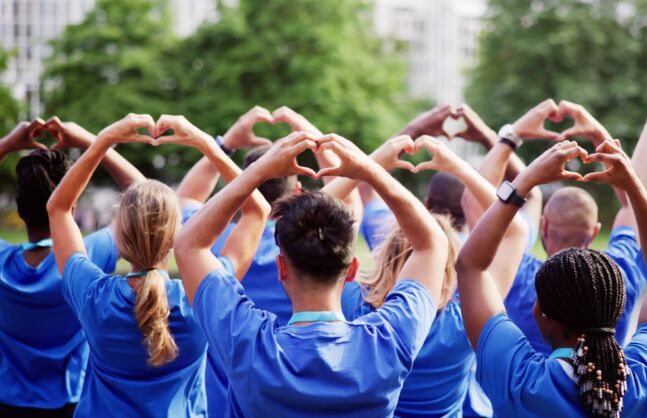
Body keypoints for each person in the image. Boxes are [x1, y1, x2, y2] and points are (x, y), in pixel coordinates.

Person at [174, 132, 449, 416]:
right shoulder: (387, 343)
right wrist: (371, 170)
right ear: (352, 269)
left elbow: (188, 245)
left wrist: (259, 171)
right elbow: (432, 244)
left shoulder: (248, 345)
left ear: (282, 269)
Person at [46, 113, 270, 417]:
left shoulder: (93, 296)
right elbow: (258, 210)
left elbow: (58, 208)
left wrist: (105, 138)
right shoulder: (201, 299)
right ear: (177, 236)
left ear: (119, 239)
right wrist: (206, 143)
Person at [457, 138, 647, 417]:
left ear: (540, 313)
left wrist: (524, 182)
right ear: (614, 312)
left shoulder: (519, 379)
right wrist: (634, 186)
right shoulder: (643, 380)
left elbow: (470, 267)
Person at [322, 134, 528, 417]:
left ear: (387, 252)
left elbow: (306, 218)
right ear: (448, 261)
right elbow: (516, 231)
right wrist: (457, 166)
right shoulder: (465, 319)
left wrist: (372, 164)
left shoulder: (354, 304)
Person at [460, 100, 646, 354]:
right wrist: (599, 137)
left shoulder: (515, 272)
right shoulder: (618, 278)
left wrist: (511, 137)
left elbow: (473, 202)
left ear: (543, 226)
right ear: (594, 231)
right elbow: (636, 206)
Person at [0, 118, 141, 417]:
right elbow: (146, 199)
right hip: (72, 402)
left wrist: (8, 144)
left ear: (20, 209)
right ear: (73, 207)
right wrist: (95, 141)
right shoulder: (87, 259)